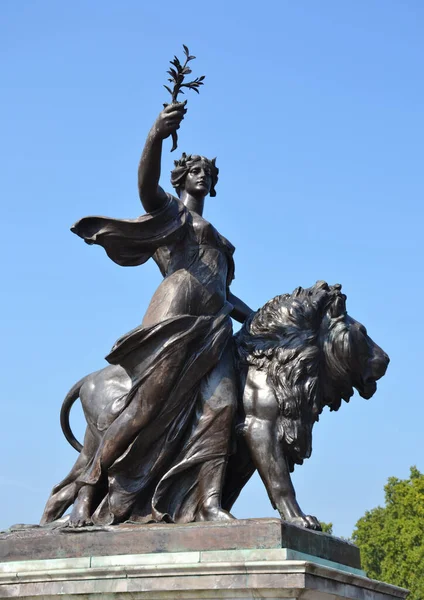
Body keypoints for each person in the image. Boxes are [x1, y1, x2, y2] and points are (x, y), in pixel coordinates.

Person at [43, 103, 253, 526]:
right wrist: (156, 134)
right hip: (175, 312)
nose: (203, 175)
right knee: (142, 409)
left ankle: (209, 503)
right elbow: (145, 184)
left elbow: (224, 292)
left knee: (224, 406)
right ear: (182, 178)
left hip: (214, 326)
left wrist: (257, 318)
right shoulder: (169, 214)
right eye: (195, 170)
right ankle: (86, 493)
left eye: (208, 174)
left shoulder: (220, 237)